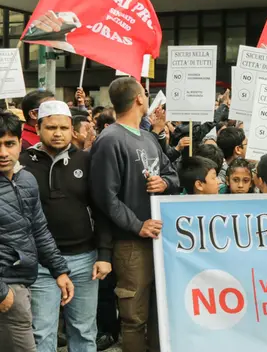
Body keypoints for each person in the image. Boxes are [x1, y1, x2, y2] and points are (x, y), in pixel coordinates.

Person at [89, 77, 179, 352]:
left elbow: (172, 175)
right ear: (140, 98)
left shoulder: (149, 137)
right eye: (145, 93)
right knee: (134, 316)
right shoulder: (110, 140)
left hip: (158, 240)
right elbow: (104, 197)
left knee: (159, 313)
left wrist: (164, 183)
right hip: (131, 244)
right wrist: (138, 225)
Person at [20, 101, 112, 352]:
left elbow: (102, 210)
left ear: (72, 129)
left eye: (63, 127)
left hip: (84, 261)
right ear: (38, 128)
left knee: (84, 331)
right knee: (42, 333)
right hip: (41, 264)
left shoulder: (86, 160)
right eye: (51, 127)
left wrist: (104, 254)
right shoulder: (22, 164)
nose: (57, 133)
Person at [0, 110, 74, 352]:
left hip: (22, 283)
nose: (3, 153)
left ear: (20, 143)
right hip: (8, 288)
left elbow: (39, 230)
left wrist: (59, 271)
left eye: (9, 144)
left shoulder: (26, 180)